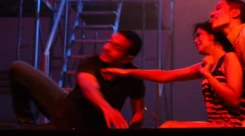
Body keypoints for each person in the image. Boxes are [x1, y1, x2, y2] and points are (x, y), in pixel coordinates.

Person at [103, 21, 245, 128]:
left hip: (233, 126)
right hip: (216, 125)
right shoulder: (207, 66)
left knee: (169, 127)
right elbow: (165, 76)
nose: (195, 40)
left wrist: (208, 75)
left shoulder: (229, 58)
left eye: (199, 35)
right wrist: (126, 71)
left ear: (213, 36)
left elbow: (234, 99)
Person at [8, 30, 146, 129]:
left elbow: (138, 112)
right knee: (18, 68)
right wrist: (106, 107)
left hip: (79, 125)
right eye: (109, 42)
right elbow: (88, 85)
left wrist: (134, 127)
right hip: (64, 105)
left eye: (117, 47)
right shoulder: (92, 62)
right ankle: (26, 120)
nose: (107, 48)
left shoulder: (134, 78)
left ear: (128, 58)